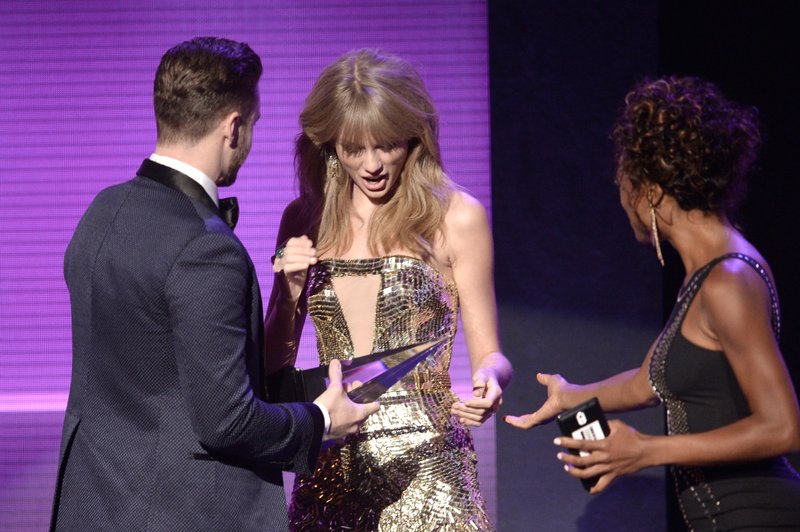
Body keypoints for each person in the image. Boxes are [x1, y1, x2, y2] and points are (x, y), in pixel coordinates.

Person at [50, 37, 377, 531]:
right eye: (254, 124)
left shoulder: (102, 212)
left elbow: (148, 374)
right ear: (234, 126)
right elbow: (227, 421)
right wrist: (321, 420)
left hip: (92, 507)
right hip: (179, 512)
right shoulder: (207, 249)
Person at [506, 76, 800, 529]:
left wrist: (645, 450)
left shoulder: (730, 280)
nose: (621, 197)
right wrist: (572, 397)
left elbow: (783, 428)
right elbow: (649, 382)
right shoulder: (704, 275)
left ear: (651, 191)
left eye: (623, 181)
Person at [264, 49, 512, 530]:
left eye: (387, 145)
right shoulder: (304, 218)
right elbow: (274, 366)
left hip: (430, 468)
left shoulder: (457, 216)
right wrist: (290, 289)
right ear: (331, 144)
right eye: (354, 148)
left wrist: (492, 381)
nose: (372, 164)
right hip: (331, 460)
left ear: (413, 137)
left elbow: (492, 355)